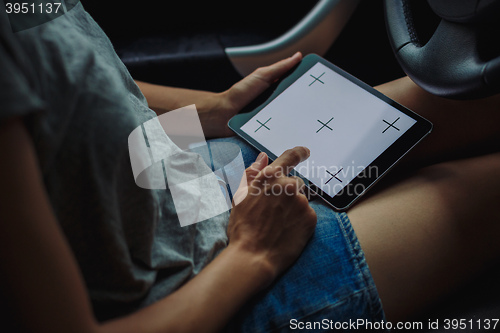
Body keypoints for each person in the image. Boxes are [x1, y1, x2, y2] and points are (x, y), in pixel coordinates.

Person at [1, 1, 500, 332]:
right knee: (471, 189)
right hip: (195, 289)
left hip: (173, 175)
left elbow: (78, 101)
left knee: (461, 100)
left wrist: (212, 114)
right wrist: (255, 252)